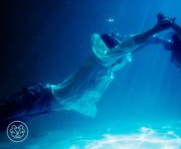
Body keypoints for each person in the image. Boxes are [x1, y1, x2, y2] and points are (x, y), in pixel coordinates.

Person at [0, 18, 169, 129]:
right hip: (37, 98)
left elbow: (131, 49)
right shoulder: (102, 61)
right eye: (118, 45)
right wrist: (155, 29)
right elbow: (129, 45)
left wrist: (153, 40)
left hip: (46, 108)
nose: (123, 53)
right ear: (111, 50)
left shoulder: (108, 69)